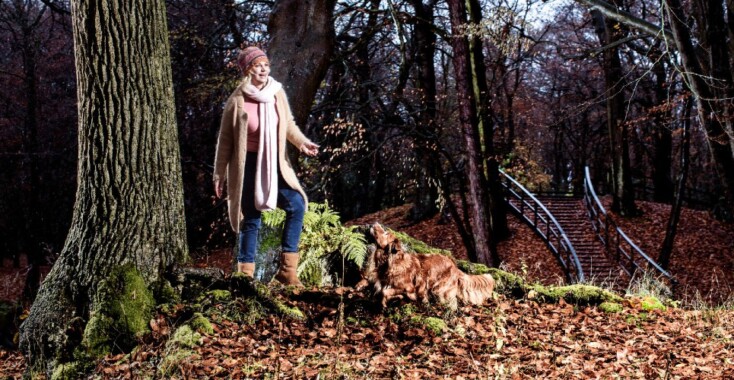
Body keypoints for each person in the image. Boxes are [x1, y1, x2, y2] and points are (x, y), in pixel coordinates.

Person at [213, 46, 319, 287]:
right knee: (251, 218)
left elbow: (288, 123)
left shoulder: (276, 93)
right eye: (257, 65)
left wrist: (302, 142)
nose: (263, 69)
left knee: (296, 204)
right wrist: (219, 174)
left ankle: (287, 271)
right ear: (248, 70)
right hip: (247, 163)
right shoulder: (237, 100)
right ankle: (245, 275)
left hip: (274, 163)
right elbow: (225, 140)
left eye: (266, 65)